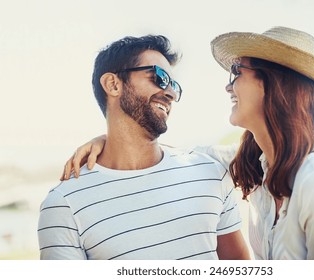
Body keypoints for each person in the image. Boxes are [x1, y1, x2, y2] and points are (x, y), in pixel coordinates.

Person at [62, 26, 314, 260]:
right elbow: (176, 156)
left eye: (237, 72)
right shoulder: (256, 164)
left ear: (274, 83)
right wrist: (108, 140)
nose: (227, 84)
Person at [37, 35, 250, 260]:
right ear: (113, 84)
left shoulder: (209, 172)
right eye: (159, 77)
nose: (170, 93)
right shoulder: (63, 204)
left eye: (174, 85)